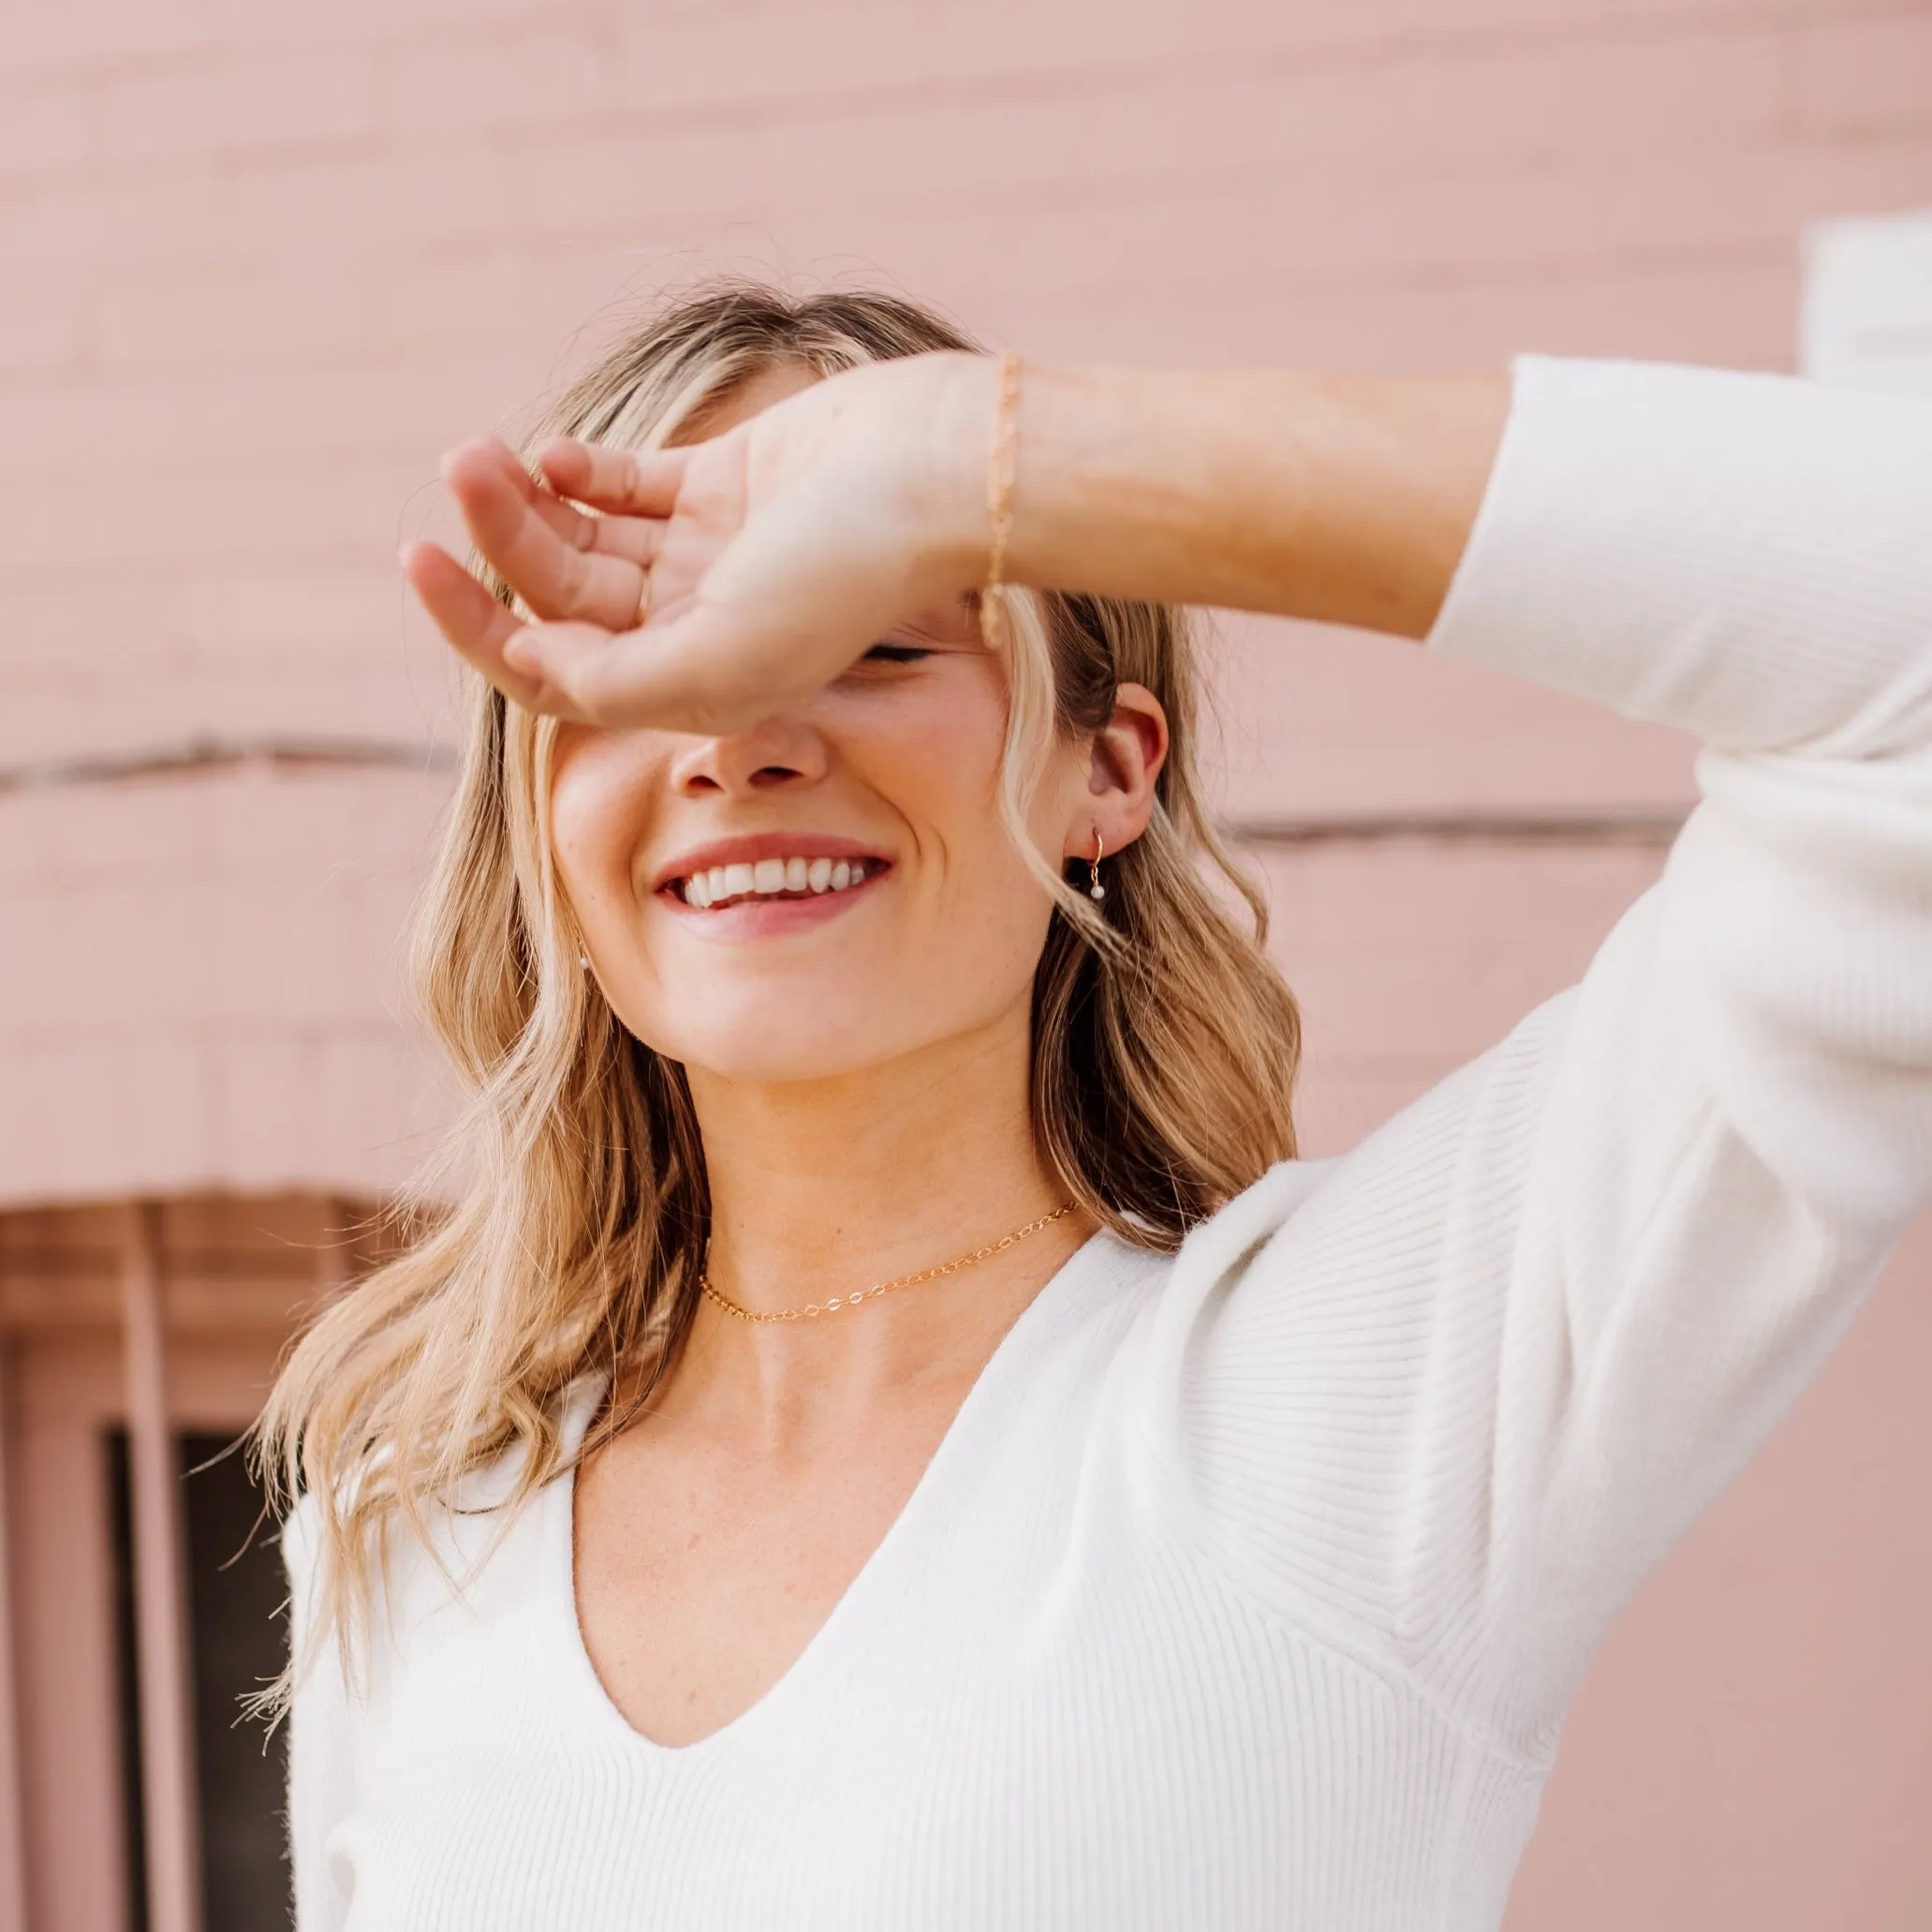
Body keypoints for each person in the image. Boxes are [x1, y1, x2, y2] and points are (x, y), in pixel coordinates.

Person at [263, 282, 1932, 1930]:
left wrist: (982, 455)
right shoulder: (414, 1524)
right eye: (638, 660)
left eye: (875, 638)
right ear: (540, 816)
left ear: (1107, 770)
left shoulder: (1352, 1400)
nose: (737, 737)